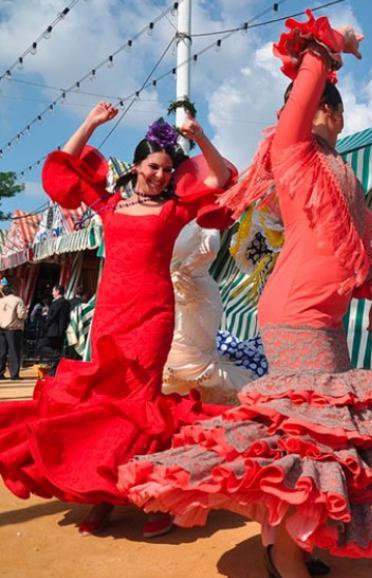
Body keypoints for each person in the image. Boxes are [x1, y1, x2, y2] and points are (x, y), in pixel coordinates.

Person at [117, 12, 372, 578]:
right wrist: (329, 51)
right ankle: (289, 561)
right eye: (316, 104)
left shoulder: (341, 167)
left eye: (331, 107)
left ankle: (285, 546)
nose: (325, 114)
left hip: (325, 311)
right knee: (307, 440)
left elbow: (365, 234)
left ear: (342, 115)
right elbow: (305, 97)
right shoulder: (293, 151)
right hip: (295, 308)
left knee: (312, 436)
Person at [0, 101, 235, 538]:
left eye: (167, 169)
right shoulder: (109, 207)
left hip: (153, 317)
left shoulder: (174, 210)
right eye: (153, 167)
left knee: (139, 407)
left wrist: (199, 137)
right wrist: (89, 123)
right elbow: (64, 173)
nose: (160, 176)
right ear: (137, 166)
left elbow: (218, 180)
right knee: (103, 404)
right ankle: (105, 497)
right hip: (110, 315)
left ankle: (154, 499)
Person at [162, 219, 257, 403]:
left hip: (198, 296)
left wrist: (184, 270)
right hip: (163, 292)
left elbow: (211, 247)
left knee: (190, 356)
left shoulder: (204, 215)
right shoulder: (164, 211)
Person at [37, 285, 71, 376]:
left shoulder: (57, 303)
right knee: (56, 349)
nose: (52, 293)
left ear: (57, 291)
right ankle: (53, 373)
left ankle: (59, 358)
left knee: (41, 346)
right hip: (61, 330)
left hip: (52, 330)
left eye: (53, 291)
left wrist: (45, 326)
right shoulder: (66, 303)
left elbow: (51, 317)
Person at [0, 284, 27, 379]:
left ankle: (0, 373)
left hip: (1, 329)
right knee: (14, 352)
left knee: (2, 352)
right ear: (12, 290)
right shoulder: (18, 300)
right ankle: (14, 374)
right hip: (13, 329)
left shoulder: (1, 301)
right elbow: (21, 315)